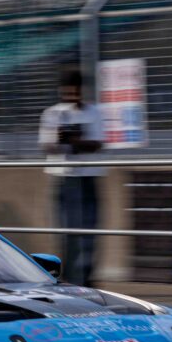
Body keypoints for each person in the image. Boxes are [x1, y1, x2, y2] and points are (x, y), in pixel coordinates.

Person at [38, 68, 104, 286]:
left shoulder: (94, 112)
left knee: (88, 232)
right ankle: (67, 278)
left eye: (75, 91)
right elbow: (46, 146)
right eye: (67, 91)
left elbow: (97, 145)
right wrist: (60, 139)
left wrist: (76, 140)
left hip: (88, 177)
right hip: (63, 178)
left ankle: (86, 278)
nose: (71, 96)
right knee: (66, 231)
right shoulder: (52, 113)